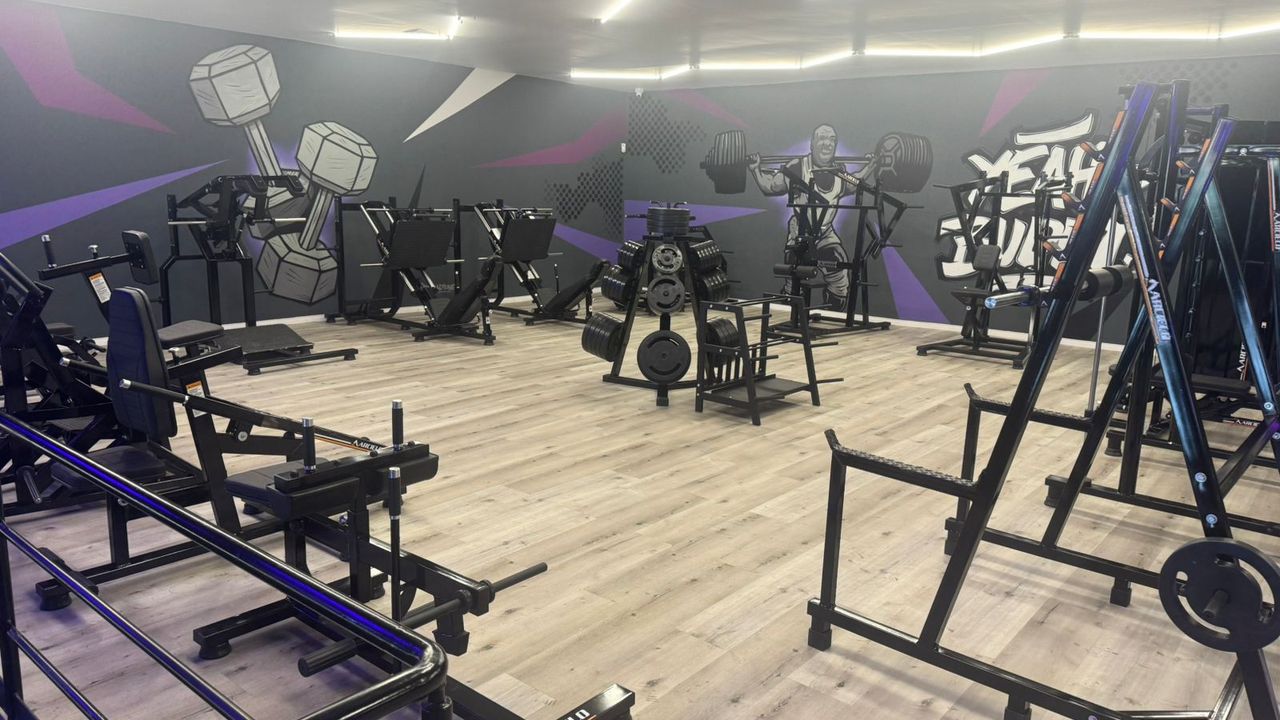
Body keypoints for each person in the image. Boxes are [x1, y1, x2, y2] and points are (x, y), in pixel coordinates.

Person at [748, 124, 862, 310]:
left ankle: (831, 316)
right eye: (822, 139)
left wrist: (874, 165)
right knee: (794, 274)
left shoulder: (840, 171)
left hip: (825, 232)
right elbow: (771, 186)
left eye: (832, 140)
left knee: (839, 273)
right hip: (801, 231)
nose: (827, 144)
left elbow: (856, 183)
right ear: (812, 144)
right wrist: (755, 169)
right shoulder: (796, 167)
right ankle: (791, 311)